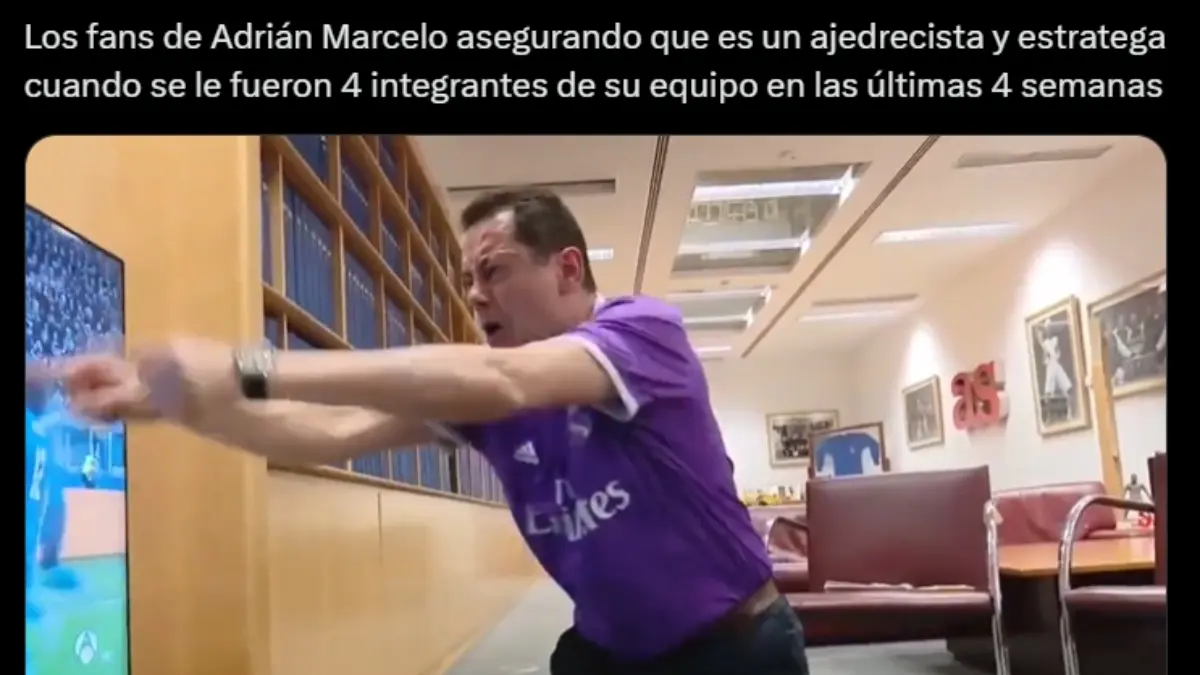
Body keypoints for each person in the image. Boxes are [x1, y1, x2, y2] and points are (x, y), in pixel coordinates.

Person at [43, 188, 809, 674]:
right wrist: (174, 403)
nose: (475, 295)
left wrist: (248, 367)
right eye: (468, 279)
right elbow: (325, 432)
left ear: (569, 269)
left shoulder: (644, 332)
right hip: (609, 653)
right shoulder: (486, 397)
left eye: (494, 271)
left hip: (732, 648)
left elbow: (503, 379)